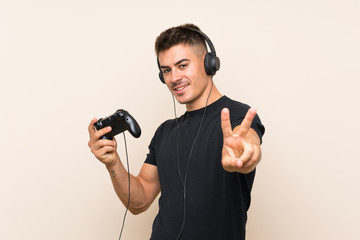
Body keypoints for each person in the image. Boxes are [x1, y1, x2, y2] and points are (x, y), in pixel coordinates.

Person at [88, 23, 265, 240]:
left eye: (182, 65)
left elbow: (248, 145)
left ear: (208, 63)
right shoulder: (165, 132)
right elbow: (139, 201)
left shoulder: (237, 117)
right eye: (166, 70)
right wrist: (112, 162)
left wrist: (244, 155)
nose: (173, 78)